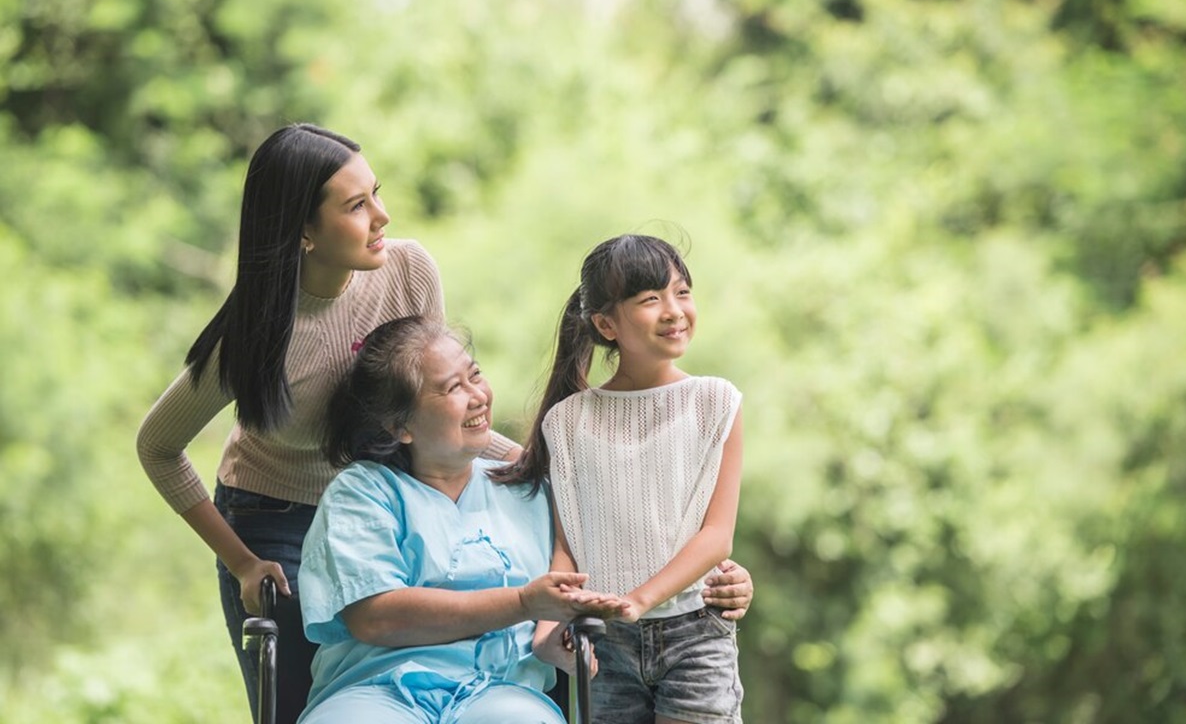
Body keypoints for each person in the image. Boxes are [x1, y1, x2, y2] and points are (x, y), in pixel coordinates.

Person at [134, 124, 522, 723]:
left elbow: (436, 411)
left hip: (387, 505)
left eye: (377, 193)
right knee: (300, 708)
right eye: (357, 205)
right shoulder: (254, 337)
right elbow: (158, 446)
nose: (383, 216)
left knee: (416, 690)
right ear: (304, 231)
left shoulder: (408, 271)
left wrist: (534, 464)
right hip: (278, 522)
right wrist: (241, 562)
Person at [297, 315, 627, 723]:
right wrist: (522, 602)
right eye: (453, 388)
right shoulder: (363, 493)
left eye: (475, 376)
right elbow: (376, 617)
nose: (478, 396)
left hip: (500, 693)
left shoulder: (530, 491)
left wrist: (717, 576)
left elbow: (624, 551)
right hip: (376, 691)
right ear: (399, 425)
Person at [503, 233, 745, 723]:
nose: (674, 310)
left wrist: (638, 601)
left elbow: (716, 538)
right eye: (650, 299)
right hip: (601, 645)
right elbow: (567, 545)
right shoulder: (568, 421)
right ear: (605, 324)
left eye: (682, 292)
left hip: (695, 634)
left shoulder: (716, 402)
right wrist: (550, 630)